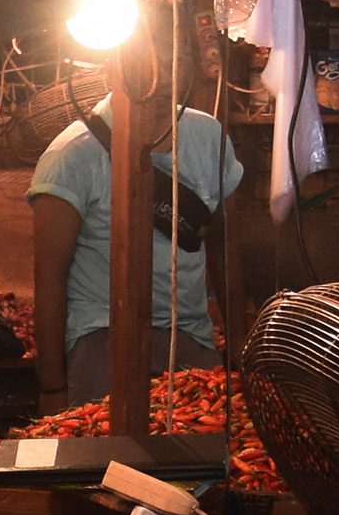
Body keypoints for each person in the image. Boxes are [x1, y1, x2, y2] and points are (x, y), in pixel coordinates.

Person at [27, 88, 238, 403]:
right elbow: (49, 275)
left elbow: (225, 242)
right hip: (101, 335)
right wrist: (53, 386)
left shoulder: (209, 136)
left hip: (190, 333)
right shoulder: (71, 155)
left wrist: (240, 343)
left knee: (210, 439)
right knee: (105, 445)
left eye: (171, 63)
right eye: (147, 65)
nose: (158, 80)